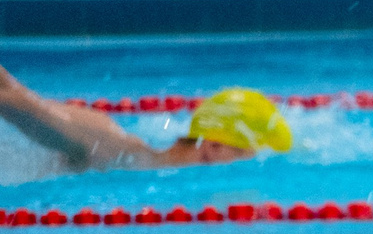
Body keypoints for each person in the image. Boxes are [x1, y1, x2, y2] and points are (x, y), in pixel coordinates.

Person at [0, 66, 291, 171]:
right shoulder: (112, 149)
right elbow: (19, 102)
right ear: (213, 146)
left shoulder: (130, 156)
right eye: (245, 157)